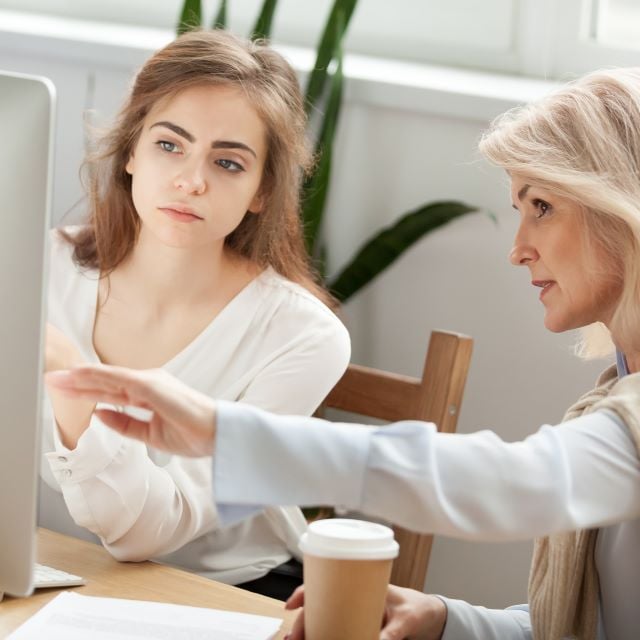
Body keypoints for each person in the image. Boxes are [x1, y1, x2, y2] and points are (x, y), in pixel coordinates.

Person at [46, 67, 640, 639]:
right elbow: (585, 627)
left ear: (621, 212)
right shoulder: (612, 393)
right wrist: (443, 618)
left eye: (542, 206)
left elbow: (518, 486)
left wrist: (225, 434)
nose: (517, 249)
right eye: (519, 210)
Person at [41, 29, 351, 600]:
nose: (192, 180)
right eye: (169, 145)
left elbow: (149, 534)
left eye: (229, 162)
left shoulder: (304, 338)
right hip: (48, 575)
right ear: (131, 151)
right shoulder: (38, 265)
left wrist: (69, 378)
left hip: (222, 596)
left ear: (262, 189)